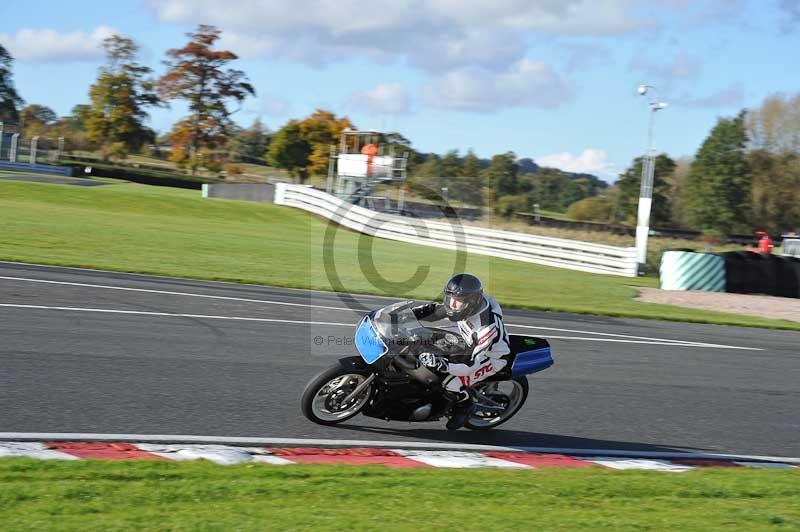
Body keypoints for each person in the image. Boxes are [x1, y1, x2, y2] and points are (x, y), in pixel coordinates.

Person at [412, 273, 510, 430]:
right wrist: (406, 314)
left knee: (449, 383)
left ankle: (466, 405)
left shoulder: (486, 329)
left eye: (458, 301)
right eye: (450, 298)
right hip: (467, 340)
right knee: (422, 338)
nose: (452, 304)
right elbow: (437, 311)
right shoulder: (470, 304)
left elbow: (471, 364)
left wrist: (443, 364)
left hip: (490, 357)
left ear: (471, 302)